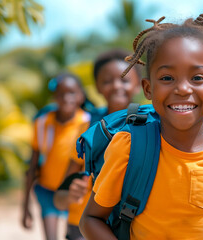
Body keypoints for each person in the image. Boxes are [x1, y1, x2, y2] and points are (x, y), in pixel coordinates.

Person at [80, 12, 203, 240]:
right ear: (148, 89)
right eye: (167, 78)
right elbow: (91, 219)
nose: (183, 89)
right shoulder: (128, 148)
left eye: (197, 78)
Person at [53, 49, 142, 240]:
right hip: (81, 227)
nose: (117, 86)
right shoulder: (88, 128)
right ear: (97, 86)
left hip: (131, 228)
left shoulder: (151, 126)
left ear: (139, 85)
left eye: (124, 80)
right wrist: (69, 195)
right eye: (107, 81)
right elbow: (58, 200)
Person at [22, 73, 90, 240]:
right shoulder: (43, 123)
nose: (67, 98)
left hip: (74, 194)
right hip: (47, 190)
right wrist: (25, 207)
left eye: (72, 93)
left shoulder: (88, 123)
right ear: (54, 97)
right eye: (61, 94)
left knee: (74, 235)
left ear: (81, 96)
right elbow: (32, 167)